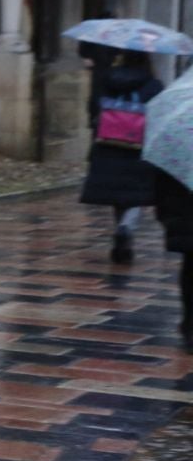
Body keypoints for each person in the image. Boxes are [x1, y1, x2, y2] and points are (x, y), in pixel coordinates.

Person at [82, 48, 164, 264]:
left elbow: (93, 107)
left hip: (108, 142)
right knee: (135, 193)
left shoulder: (107, 78)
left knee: (116, 192)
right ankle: (126, 227)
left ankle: (121, 228)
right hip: (139, 145)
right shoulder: (154, 85)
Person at [153, 166, 193, 352]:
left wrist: (165, 215)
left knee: (190, 266)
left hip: (184, 211)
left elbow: (162, 184)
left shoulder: (179, 142)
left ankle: (190, 323)